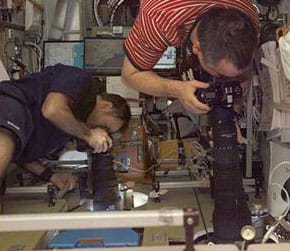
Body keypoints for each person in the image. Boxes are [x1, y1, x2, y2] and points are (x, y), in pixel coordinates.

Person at [0, 64, 131, 192]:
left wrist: (51, 176)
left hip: (14, 135)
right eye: (105, 127)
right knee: (6, 134)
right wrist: (89, 135)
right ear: (106, 106)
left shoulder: (69, 129)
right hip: (10, 103)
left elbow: (23, 157)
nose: (102, 133)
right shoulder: (81, 80)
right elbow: (52, 109)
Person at [122, 0, 259, 114]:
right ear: (196, 48)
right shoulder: (159, 19)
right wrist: (178, 90)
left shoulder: (248, 15)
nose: (231, 80)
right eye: (221, 75)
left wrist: (233, 109)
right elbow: (130, 75)